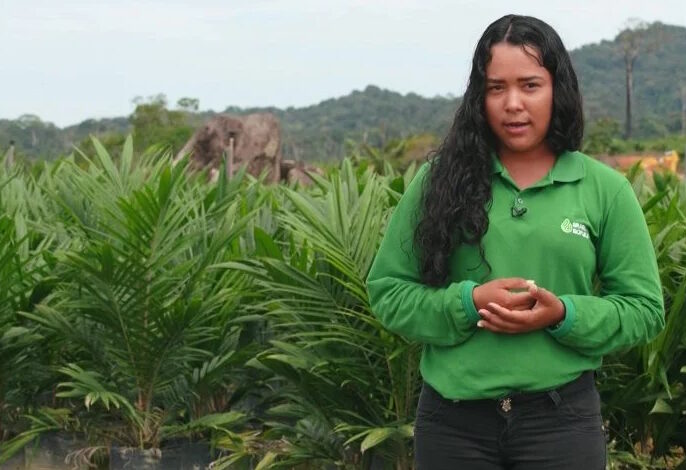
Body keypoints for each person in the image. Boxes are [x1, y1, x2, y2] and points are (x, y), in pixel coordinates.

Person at [366, 14, 664, 470]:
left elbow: (644, 309)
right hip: (453, 426)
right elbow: (389, 293)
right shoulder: (438, 182)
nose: (512, 104)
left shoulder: (603, 189)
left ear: (556, 89)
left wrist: (563, 314)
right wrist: (469, 303)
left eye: (529, 85)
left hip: (561, 424)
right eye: (495, 88)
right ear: (478, 97)